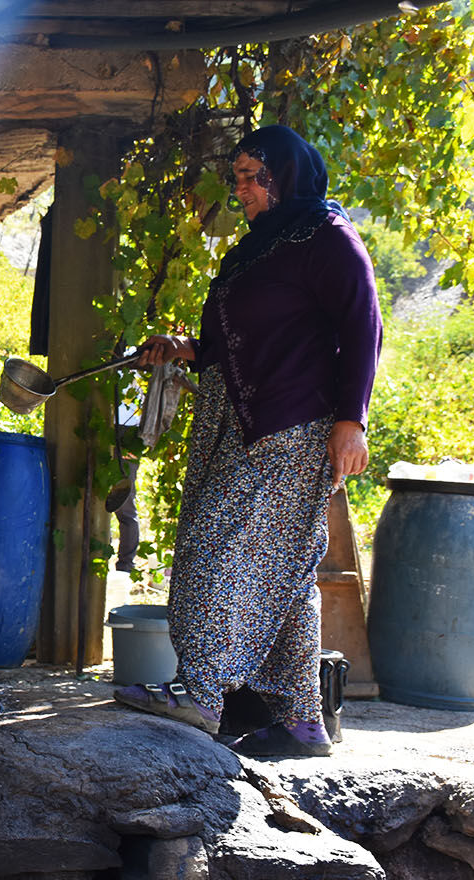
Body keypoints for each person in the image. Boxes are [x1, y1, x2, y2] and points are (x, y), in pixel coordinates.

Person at [113, 125, 382, 757]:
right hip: (233, 421)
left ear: (288, 177)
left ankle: (202, 694)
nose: (242, 189)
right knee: (287, 574)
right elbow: (253, 339)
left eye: (255, 176)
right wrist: (187, 349)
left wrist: (352, 419)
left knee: (215, 540)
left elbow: (363, 323)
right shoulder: (256, 249)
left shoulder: (327, 237)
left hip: (291, 426)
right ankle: (302, 720)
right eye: (237, 176)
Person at [112, 390, 142, 573]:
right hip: (112, 423)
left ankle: (125, 564)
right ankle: (121, 562)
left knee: (125, 501)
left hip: (131, 428)